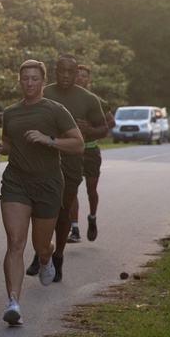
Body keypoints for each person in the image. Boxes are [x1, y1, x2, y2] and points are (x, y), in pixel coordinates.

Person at [0, 60, 84, 325]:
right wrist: (0, 146)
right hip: (16, 182)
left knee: (41, 244)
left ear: (44, 82)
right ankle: (13, 302)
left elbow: (77, 144)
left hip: (48, 183)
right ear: (19, 81)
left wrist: (49, 140)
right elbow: (10, 142)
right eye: (24, 78)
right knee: (15, 242)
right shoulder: (10, 113)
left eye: (34, 79)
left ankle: (46, 259)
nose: (29, 83)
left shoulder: (56, 110)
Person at [25, 55, 107, 281]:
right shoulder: (44, 92)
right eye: (62, 71)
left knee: (62, 214)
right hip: (41, 160)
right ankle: (41, 253)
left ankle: (58, 258)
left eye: (71, 72)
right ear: (55, 71)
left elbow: (104, 128)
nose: (66, 76)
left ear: (76, 72)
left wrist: (89, 129)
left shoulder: (88, 99)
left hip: (71, 163)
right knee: (39, 210)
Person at [70, 64, 116, 242]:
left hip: (90, 151)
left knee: (91, 190)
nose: (80, 78)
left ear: (88, 80)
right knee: (71, 190)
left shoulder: (95, 100)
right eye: (77, 75)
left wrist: (92, 130)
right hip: (73, 152)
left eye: (83, 76)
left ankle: (92, 217)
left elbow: (110, 122)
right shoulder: (66, 100)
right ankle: (75, 229)